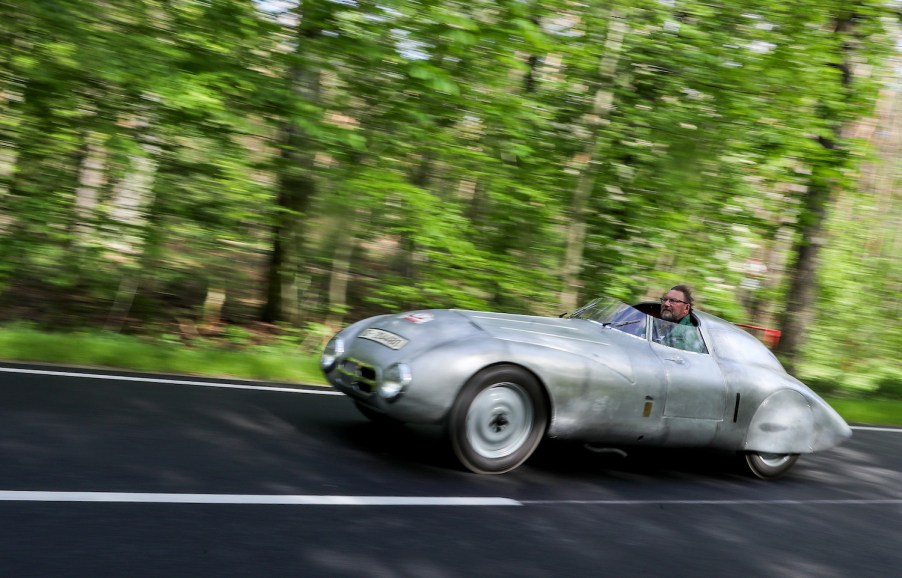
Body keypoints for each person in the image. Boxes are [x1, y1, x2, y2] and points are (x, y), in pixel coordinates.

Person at [657, 284, 705, 353]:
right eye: (665, 299)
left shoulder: (688, 335)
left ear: (686, 308)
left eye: (673, 301)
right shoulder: (657, 324)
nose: (666, 304)